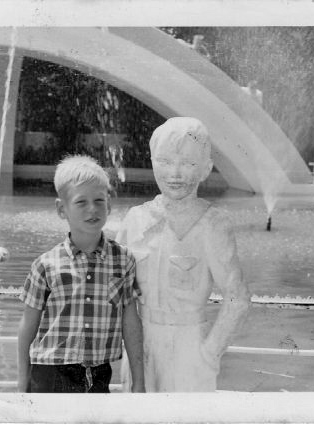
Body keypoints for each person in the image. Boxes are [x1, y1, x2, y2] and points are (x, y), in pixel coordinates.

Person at [117, 117, 250, 392]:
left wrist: (209, 354)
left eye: (188, 163)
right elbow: (114, 288)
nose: (174, 173)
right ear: (152, 162)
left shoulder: (212, 224)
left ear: (205, 169)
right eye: (164, 161)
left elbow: (237, 297)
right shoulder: (136, 219)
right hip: (139, 345)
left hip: (190, 347)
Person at [17, 155, 145, 393]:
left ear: (109, 204)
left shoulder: (123, 260)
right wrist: (22, 382)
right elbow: (27, 328)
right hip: (50, 373)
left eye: (99, 200)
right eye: (81, 202)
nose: (92, 209)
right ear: (61, 209)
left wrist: (139, 382)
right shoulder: (46, 265)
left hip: (99, 373)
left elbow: (130, 321)